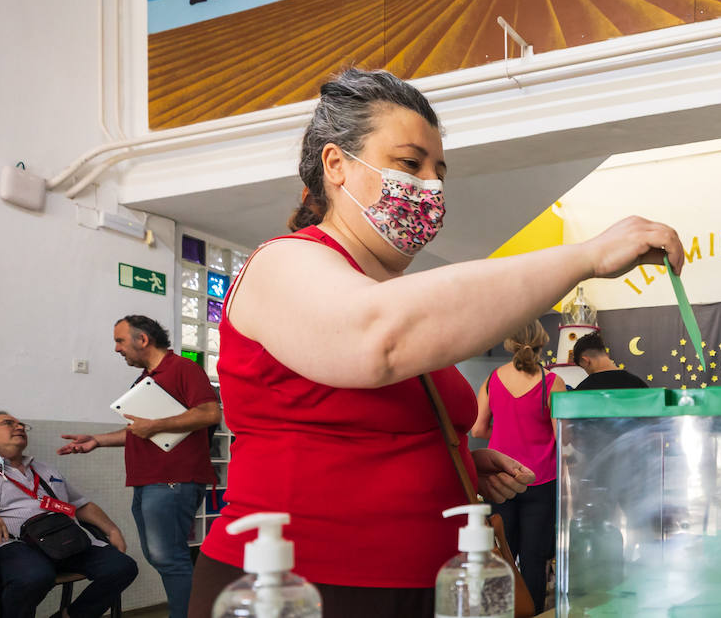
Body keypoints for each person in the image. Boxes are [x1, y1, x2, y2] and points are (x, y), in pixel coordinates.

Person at [183, 68, 684, 618]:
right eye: (409, 163)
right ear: (336, 165)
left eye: (439, 171)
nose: (431, 185)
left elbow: (363, 426)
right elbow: (376, 340)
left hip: (430, 582)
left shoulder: (396, 292)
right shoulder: (283, 262)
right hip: (306, 588)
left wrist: (461, 464)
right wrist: (585, 256)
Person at [57, 315, 221, 618]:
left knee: (169, 559)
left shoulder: (183, 369)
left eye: (120, 341)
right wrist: (95, 440)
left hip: (174, 480)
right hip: (148, 481)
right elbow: (140, 432)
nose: (117, 349)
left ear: (142, 339)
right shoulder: (147, 378)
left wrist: (157, 424)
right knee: (160, 557)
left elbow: (210, 413)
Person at [0, 411, 138, 618]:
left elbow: (79, 505)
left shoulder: (45, 470)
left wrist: (112, 529)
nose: (19, 427)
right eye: (8, 423)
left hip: (61, 539)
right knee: (34, 576)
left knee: (122, 566)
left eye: (22, 424)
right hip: (14, 544)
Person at [471, 322, 564, 612]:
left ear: (509, 343)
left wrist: (506, 433)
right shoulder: (552, 382)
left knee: (499, 554)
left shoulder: (492, 379)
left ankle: (498, 611)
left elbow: (477, 429)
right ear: (542, 342)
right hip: (541, 479)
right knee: (534, 558)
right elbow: (563, 435)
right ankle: (532, 611)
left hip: (498, 481)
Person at [570, 333, 648, 389]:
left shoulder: (583, 390)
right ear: (607, 354)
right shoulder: (638, 383)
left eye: (584, 368)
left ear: (586, 360)